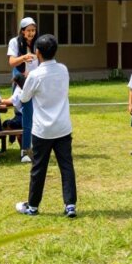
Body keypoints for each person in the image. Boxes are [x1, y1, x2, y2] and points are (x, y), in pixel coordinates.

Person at [15, 34, 77, 219]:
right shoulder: (63, 69)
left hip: (42, 129)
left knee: (39, 168)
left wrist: (22, 80)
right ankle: (70, 205)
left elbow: (24, 97)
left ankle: (33, 206)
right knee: (66, 166)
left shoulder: (36, 74)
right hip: (63, 126)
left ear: (38, 52)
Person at [8, 17, 38, 163]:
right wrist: (23, 57)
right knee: (24, 115)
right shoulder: (15, 42)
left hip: (36, 82)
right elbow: (11, 62)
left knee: (36, 116)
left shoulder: (39, 42)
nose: (31, 33)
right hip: (21, 82)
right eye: (29, 31)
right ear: (22, 31)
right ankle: (25, 149)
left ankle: (33, 149)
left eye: (33, 30)